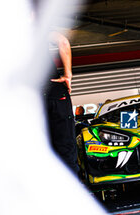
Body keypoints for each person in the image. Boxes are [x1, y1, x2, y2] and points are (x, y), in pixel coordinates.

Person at [43, 31, 79, 175]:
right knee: (66, 146)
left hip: (31, 95)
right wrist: (67, 75)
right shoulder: (39, 29)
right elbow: (63, 42)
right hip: (55, 90)